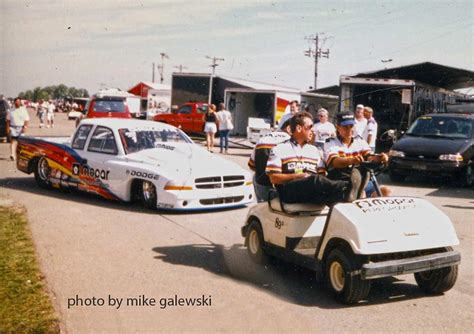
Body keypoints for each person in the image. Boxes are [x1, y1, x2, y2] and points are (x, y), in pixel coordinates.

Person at [266, 112, 358, 205]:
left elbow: (322, 175)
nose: (313, 131)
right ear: (298, 128)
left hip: (310, 190)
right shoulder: (280, 148)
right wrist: (298, 176)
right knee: (314, 179)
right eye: (310, 127)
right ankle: (348, 186)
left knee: (335, 197)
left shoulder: (314, 150)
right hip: (288, 191)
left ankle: (350, 191)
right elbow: (274, 178)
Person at [324, 112, 391, 198]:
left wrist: (380, 158)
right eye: (345, 127)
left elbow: (369, 155)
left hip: (361, 179)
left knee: (386, 192)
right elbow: (335, 162)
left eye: (351, 126)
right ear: (338, 127)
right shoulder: (331, 142)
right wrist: (352, 160)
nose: (349, 130)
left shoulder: (359, 141)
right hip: (342, 180)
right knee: (361, 194)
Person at [248, 117, 292, 202]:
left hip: (263, 184)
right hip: (284, 186)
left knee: (255, 176)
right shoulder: (292, 142)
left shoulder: (262, 140)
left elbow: (251, 165)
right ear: (289, 128)